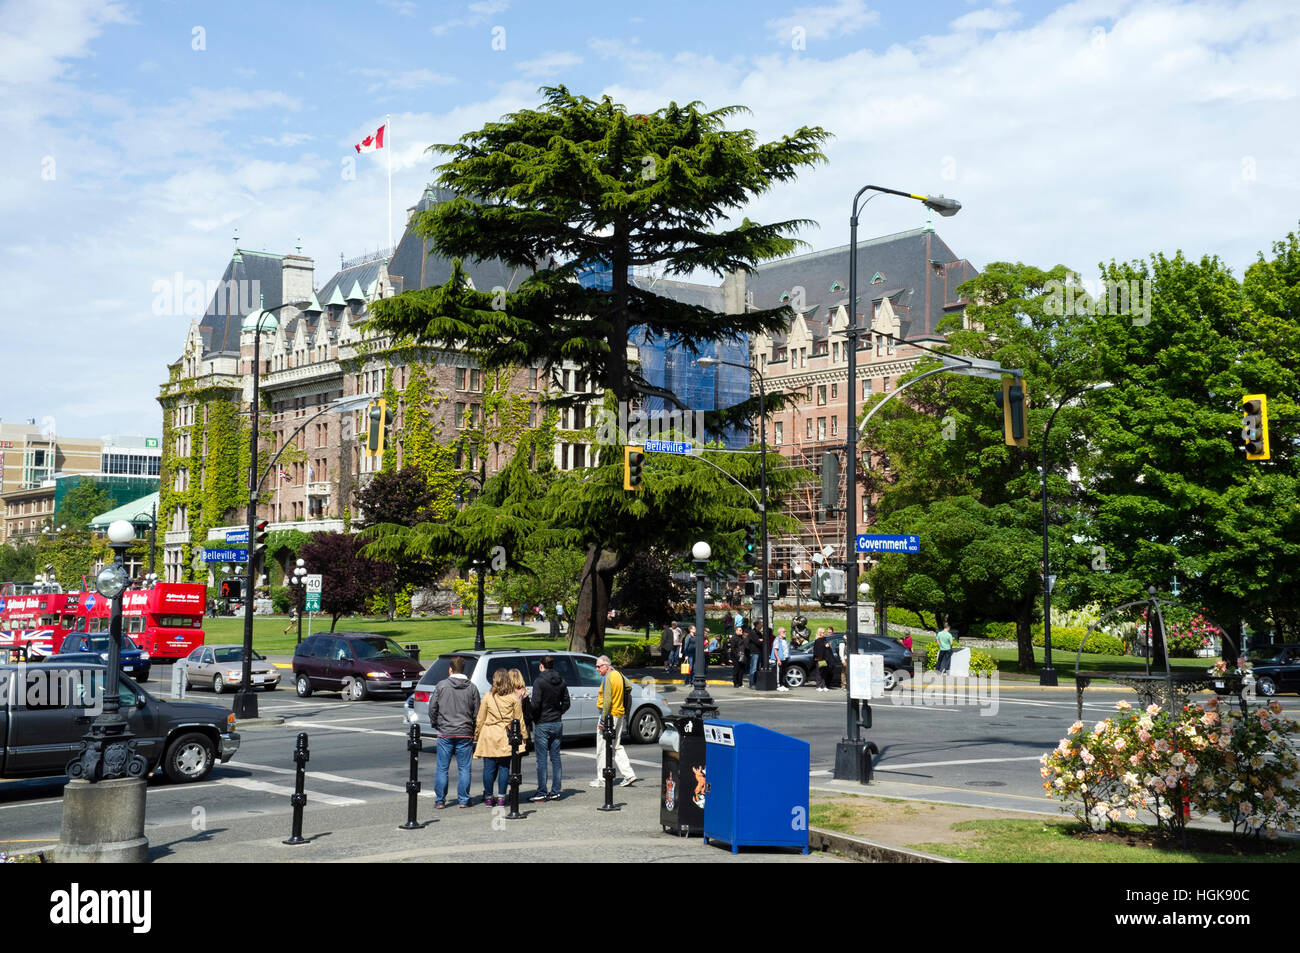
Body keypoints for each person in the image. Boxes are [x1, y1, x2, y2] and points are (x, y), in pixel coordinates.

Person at [429, 655, 482, 808]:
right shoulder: (472, 687)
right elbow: (476, 711)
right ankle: (464, 799)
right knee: (464, 768)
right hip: (464, 731)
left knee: (442, 768)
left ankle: (440, 799)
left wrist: (436, 724)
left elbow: (432, 708)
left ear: (450, 669)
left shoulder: (442, 685)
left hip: (445, 730)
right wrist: (471, 727)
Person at [474, 669, 529, 807]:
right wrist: (524, 736)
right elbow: (519, 719)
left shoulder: (488, 696)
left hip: (489, 733)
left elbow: (480, 718)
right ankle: (501, 797)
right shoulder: (513, 697)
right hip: (505, 734)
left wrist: (477, 734)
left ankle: (488, 797)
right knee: (504, 767)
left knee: (488, 767)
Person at [590, 656, 636, 787]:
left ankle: (602, 779)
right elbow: (628, 687)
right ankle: (629, 774)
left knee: (602, 748)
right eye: (596, 666)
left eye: (599, 666)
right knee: (616, 745)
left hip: (609, 715)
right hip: (619, 713)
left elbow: (607, 701)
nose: (597, 669)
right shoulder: (618, 674)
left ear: (606, 666)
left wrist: (603, 720)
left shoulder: (607, 678)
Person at [529, 656, 570, 802]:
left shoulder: (539, 682)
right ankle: (556, 790)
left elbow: (535, 704)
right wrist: (558, 712)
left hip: (543, 722)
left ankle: (542, 791)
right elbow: (566, 702)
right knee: (556, 757)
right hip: (556, 722)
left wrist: (534, 717)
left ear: (541, 666)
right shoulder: (561, 681)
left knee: (541, 760)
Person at [771, 626, 790, 692]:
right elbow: (775, 650)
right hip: (780, 659)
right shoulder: (777, 640)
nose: (785, 632)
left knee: (784, 672)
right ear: (779, 632)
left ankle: (783, 685)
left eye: (785, 631)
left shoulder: (785, 640)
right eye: (784, 631)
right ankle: (778, 685)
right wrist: (778, 659)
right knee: (779, 672)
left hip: (785, 658)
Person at [745, 623, 764, 689]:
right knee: (753, 669)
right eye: (760, 625)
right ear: (757, 625)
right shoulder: (752, 632)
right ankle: (751, 683)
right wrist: (760, 640)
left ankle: (756, 682)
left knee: (758, 669)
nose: (761, 626)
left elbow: (762, 641)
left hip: (759, 652)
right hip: (754, 652)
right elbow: (757, 641)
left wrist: (761, 640)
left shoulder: (759, 633)